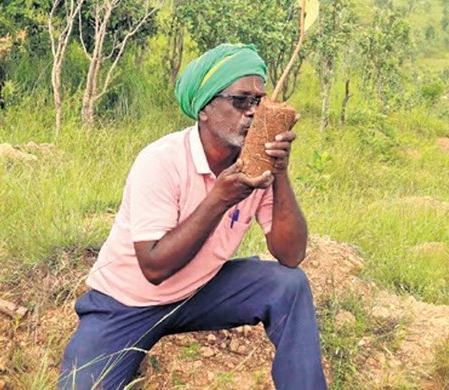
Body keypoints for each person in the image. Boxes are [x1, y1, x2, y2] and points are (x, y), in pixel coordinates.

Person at [59, 43, 327, 390]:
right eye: (241, 100)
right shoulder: (162, 161)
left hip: (199, 291)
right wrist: (220, 198)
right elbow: (154, 268)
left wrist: (280, 173)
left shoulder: (255, 167)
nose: (252, 113)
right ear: (204, 108)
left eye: (260, 102)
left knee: (288, 285)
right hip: (126, 303)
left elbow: (291, 255)